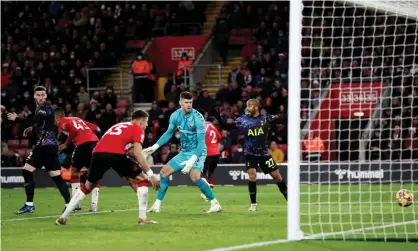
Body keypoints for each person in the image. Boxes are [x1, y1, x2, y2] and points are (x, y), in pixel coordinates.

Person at [56, 109, 160, 225]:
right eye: (146, 122)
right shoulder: (138, 129)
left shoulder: (118, 125)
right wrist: (151, 175)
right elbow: (137, 153)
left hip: (97, 153)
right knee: (143, 179)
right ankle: (143, 218)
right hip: (114, 154)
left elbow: (112, 141)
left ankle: (64, 217)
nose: (146, 125)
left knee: (87, 186)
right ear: (141, 121)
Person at [144, 92, 222, 213]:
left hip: (198, 151)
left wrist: (191, 161)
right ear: (180, 103)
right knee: (164, 173)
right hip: (184, 152)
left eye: (190, 102)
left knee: (195, 177)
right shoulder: (175, 116)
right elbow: (169, 133)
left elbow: (201, 143)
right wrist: (155, 146)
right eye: (186, 102)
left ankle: (215, 203)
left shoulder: (198, 118)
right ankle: (157, 205)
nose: (189, 105)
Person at [7, 86, 71, 214]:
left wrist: (17, 119)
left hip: (44, 147)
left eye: (43, 95)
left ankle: (29, 204)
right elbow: (42, 124)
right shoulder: (41, 109)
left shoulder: (45, 108)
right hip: (50, 147)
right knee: (56, 177)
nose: (41, 97)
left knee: (26, 171)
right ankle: (70, 204)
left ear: (46, 96)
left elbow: (35, 120)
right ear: (34, 96)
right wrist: (32, 129)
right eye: (38, 95)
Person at [235, 99, 288, 212]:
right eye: (246, 106)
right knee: (252, 175)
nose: (247, 108)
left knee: (277, 177)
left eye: (250, 106)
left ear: (256, 107)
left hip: (264, 154)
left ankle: (289, 199)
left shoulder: (265, 118)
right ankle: (253, 204)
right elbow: (229, 125)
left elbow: (282, 119)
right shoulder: (242, 120)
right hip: (250, 154)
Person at [55, 108, 101, 212]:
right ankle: (94, 206)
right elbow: (95, 128)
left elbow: (73, 131)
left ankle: (76, 204)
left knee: (74, 172)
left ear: (57, 117)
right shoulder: (76, 119)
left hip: (82, 145)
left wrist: (66, 144)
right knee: (92, 174)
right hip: (95, 143)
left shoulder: (61, 122)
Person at [198, 111, 222, 201]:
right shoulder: (211, 124)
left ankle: (206, 193)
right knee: (210, 173)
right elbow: (219, 137)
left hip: (207, 153)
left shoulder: (200, 126)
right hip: (216, 153)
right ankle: (209, 192)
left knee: (201, 175)